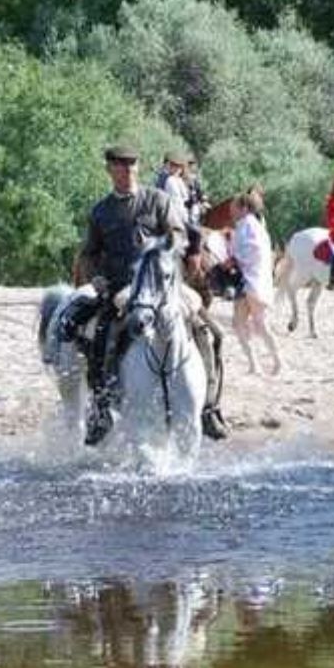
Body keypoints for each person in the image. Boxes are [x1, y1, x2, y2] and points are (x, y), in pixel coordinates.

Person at [66, 144, 228, 445]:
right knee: (102, 334)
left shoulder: (158, 200)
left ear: (138, 168)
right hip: (123, 288)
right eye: (120, 167)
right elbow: (89, 253)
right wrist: (96, 278)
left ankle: (209, 408)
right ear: (109, 170)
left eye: (131, 166)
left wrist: (170, 249)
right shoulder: (101, 211)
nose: (126, 172)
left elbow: (179, 232)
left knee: (213, 332)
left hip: (164, 284)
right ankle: (102, 408)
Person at [231, 192, 282, 376]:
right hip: (248, 280)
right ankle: (255, 364)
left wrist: (235, 260)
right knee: (239, 323)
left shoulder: (249, 226)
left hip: (251, 280)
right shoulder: (249, 225)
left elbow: (252, 251)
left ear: (244, 208)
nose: (231, 209)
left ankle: (278, 361)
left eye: (235, 206)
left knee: (260, 324)